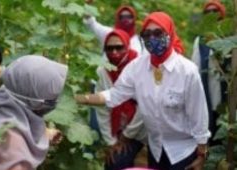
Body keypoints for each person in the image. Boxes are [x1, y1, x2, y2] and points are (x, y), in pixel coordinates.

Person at [75, 12, 210, 170]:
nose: (152, 38)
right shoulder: (137, 68)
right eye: (147, 34)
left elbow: (199, 115)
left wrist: (202, 154)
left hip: (183, 150)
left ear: (170, 33)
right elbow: (114, 94)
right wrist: (81, 98)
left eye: (158, 33)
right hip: (156, 149)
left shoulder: (187, 71)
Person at [0, 55, 68, 170]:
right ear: (32, 98)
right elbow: (12, 145)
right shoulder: (12, 143)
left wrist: (46, 135)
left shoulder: (0, 98)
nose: (54, 101)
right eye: (50, 97)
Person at [96, 29, 146, 170]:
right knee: (114, 162)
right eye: (109, 48)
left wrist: (127, 136)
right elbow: (102, 108)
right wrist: (111, 142)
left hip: (142, 128)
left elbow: (144, 106)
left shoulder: (139, 66)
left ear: (127, 46)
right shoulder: (102, 71)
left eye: (119, 47)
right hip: (118, 129)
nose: (114, 52)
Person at [191, 0, 226, 145]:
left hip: (228, 99)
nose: (211, 14)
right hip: (208, 98)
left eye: (215, 11)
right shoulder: (201, 41)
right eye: (208, 12)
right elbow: (194, 71)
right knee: (210, 139)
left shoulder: (230, 38)